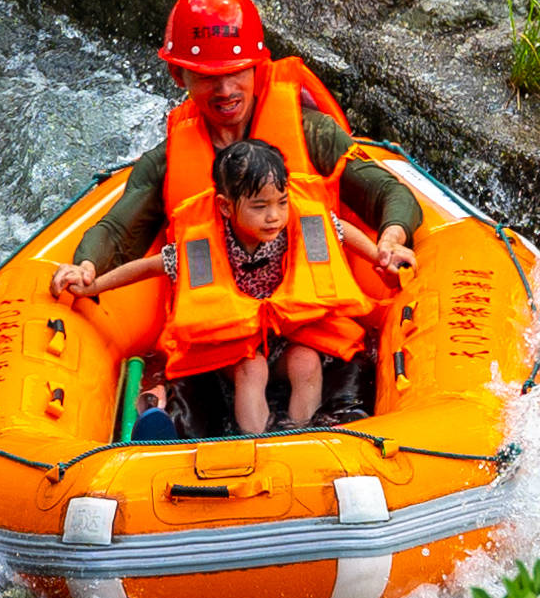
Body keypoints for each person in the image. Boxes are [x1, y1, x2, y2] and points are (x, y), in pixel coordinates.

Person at [49, 0, 423, 431]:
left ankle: (307, 435)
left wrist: (391, 238)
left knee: (340, 377)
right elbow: (119, 231)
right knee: (199, 392)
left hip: (309, 331)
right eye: (208, 76)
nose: (226, 89)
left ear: (257, 67)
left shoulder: (311, 133)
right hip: (224, 343)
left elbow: (391, 194)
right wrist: (86, 270)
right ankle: (165, 429)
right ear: (178, 77)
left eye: (237, 71)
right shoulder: (168, 161)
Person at [66, 138, 393, 433]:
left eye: (281, 202)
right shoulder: (202, 248)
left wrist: (378, 253)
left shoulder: (297, 224)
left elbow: (340, 230)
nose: (274, 217)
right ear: (225, 207)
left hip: (287, 337)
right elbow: (147, 267)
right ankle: (256, 438)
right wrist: (93, 285)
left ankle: (300, 431)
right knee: (253, 368)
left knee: (305, 361)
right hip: (232, 347)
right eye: (259, 206)